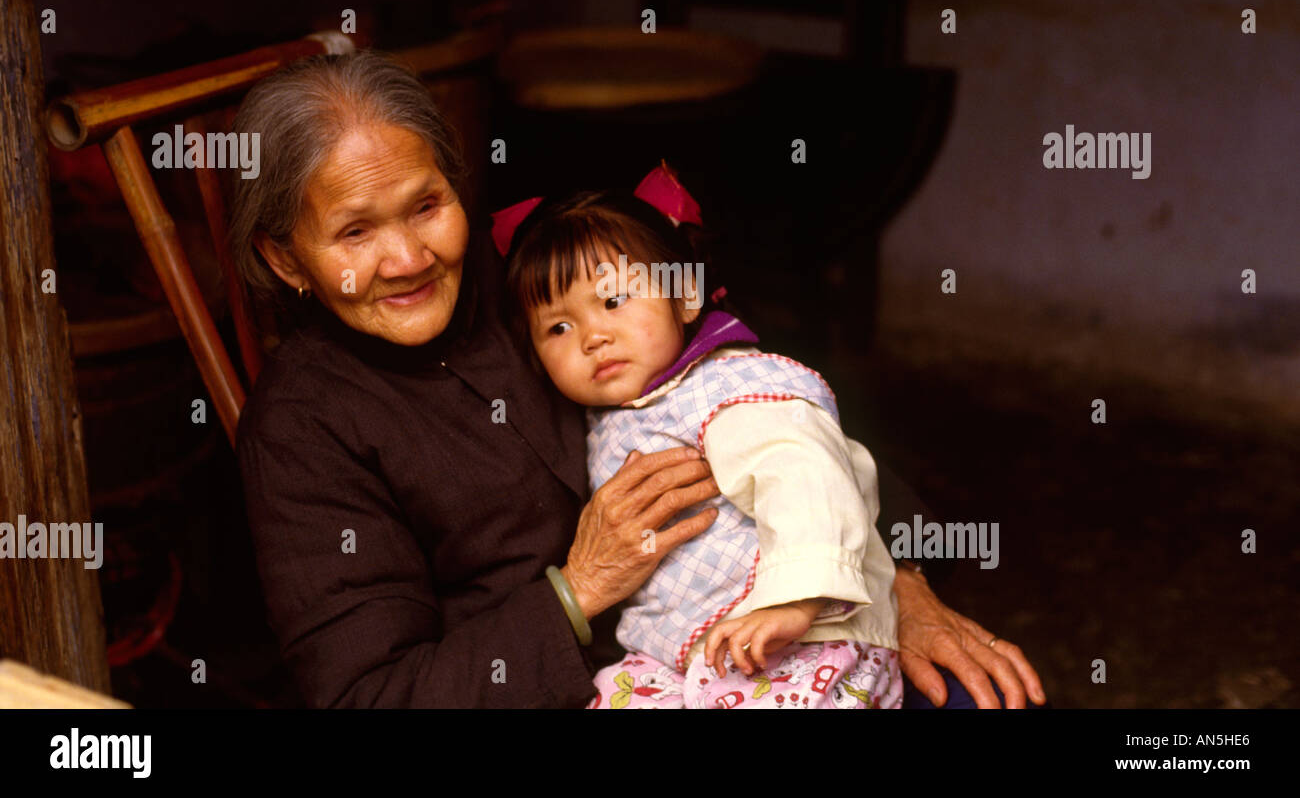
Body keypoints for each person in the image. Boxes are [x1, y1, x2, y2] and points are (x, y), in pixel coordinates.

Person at [229, 48, 1047, 708]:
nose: (408, 259)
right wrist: (575, 590)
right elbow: (371, 696)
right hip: (581, 688)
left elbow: (762, 402)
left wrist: (894, 584)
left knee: (985, 698)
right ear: (284, 258)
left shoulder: (542, 275)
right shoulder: (303, 427)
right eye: (354, 232)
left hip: (765, 629)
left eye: (426, 206)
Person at [496, 172, 900, 709]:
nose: (593, 336)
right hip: (679, 657)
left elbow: (806, 475)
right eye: (558, 328)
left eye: (614, 300)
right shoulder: (601, 420)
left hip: (803, 638)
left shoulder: (727, 388)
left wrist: (796, 600)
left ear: (686, 296)